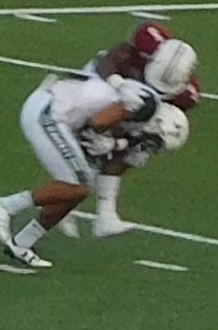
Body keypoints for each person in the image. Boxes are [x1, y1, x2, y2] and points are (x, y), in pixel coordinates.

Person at [0, 39, 197, 267]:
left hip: (59, 110)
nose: (148, 146)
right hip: (50, 112)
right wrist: (112, 142)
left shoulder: (144, 99)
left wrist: (114, 144)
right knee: (78, 185)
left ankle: (24, 241)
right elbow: (98, 123)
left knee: (81, 187)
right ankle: (6, 206)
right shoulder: (148, 104)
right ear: (158, 123)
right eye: (153, 141)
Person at [68, 23, 202, 237]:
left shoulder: (187, 96)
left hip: (140, 107)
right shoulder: (148, 39)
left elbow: (148, 129)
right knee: (84, 141)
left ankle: (105, 214)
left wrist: (119, 143)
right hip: (107, 83)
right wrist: (119, 84)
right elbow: (108, 61)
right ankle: (64, 202)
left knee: (132, 151)